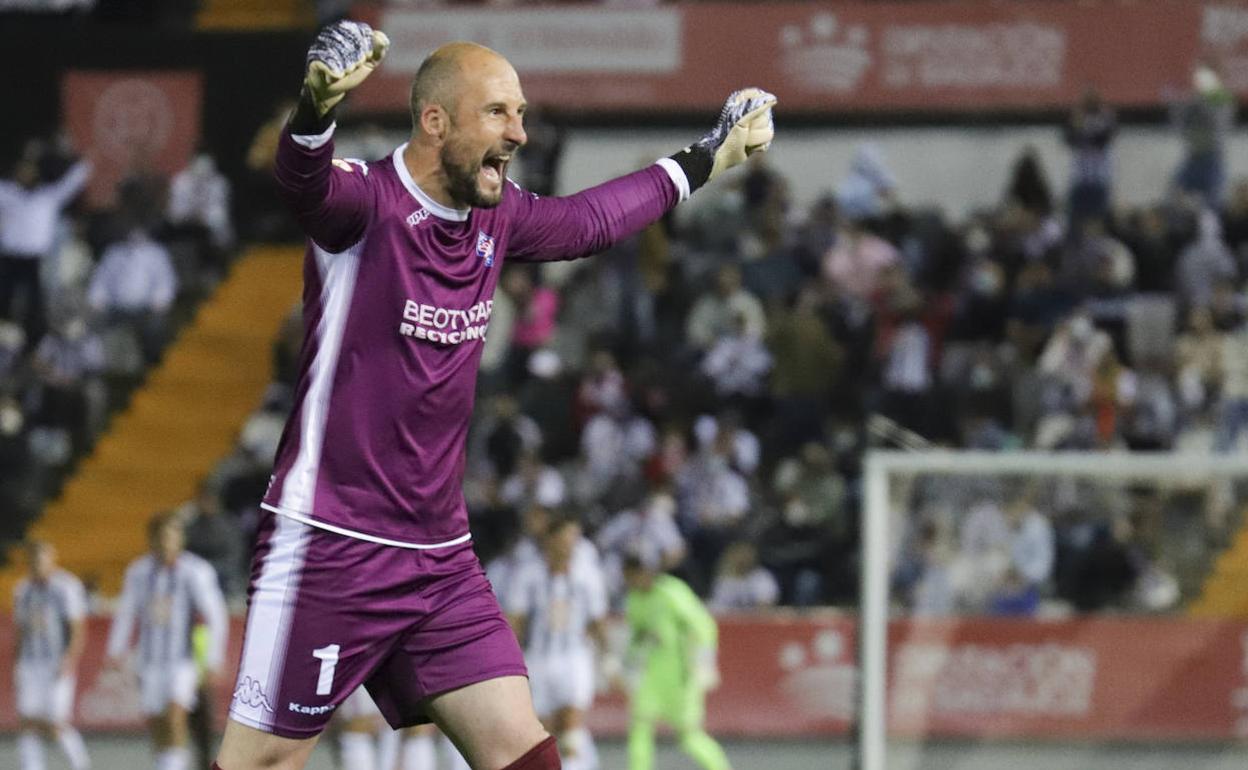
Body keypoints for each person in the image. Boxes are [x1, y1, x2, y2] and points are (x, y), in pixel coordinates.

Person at [215, 19, 775, 770]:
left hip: (440, 556)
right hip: (330, 542)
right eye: (499, 113)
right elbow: (299, 181)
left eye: (521, 113)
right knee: (263, 762)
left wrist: (708, 157)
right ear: (436, 121)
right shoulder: (366, 204)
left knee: (521, 751)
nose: (519, 132)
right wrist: (316, 108)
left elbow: (590, 221)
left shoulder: (499, 214)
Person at [107, 512, 229, 770]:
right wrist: (115, 650)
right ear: (151, 540)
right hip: (149, 660)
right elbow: (127, 612)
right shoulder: (138, 572)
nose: (166, 542)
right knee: (158, 722)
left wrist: (213, 658)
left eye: (171, 536)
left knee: (176, 716)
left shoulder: (195, 571)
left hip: (182, 660)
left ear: (180, 539)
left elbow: (215, 615)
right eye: (160, 537)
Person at [505, 516, 611, 770]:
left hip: (574, 658)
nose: (569, 545)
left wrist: (608, 658)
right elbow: (515, 621)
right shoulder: (529, 573)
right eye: (565, 539)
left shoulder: (587, 575)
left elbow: (597, 621)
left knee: (572, 726)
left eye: (573, 539)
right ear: (550, 541)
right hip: (538, 659)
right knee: (544, 732)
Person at [619, 553, 731, 770]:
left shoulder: (672, 593)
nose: (630, 581)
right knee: (639, 729)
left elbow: (704, 626)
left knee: (689, 737)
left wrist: (705, 662)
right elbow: (637, 636)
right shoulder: (634, 599)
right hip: (651, 676)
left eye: (634, 574)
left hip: (681, 677)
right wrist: (629, 664)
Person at [12, 540, 92, 770]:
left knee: (55, 723)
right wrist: (17, 665)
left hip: (56, 662)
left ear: (51, 559)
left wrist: (69, 659)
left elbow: (77, 628)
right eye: (33, 559)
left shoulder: (66, 587)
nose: (37, 564)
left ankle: (79, 763)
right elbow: (21, 631)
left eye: (42, 559)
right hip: (30, 663)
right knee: (27, 720)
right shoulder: (22, 589)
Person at [0, 146, 91, 346]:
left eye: (29, 172)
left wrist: (85, 160)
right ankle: (5, 337)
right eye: (21, 172)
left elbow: (71, 183)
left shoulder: (47, 197)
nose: (25, 176)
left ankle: (34, 341)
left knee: (36, 302)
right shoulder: (7, 193)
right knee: (4, 298)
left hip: (35, 260)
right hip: (9, 257)